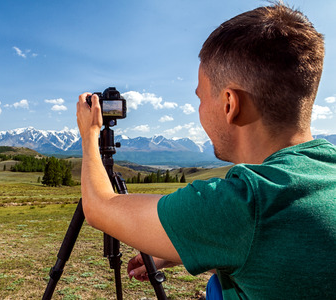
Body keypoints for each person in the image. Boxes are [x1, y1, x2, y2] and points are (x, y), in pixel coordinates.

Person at [76, 2, 335, 299]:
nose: (199, 108)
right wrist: (192, 246)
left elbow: (98, 207)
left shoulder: (242, 203)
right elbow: (288, 256)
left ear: (229, 104)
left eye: (201, 97)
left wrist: (89, 133)